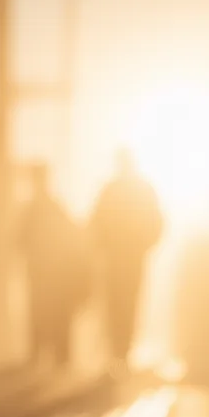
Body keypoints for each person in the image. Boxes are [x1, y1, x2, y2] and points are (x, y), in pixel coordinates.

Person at [89, 146, 164, 370]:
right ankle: (122, 352)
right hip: (131, 260)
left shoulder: (110, 190)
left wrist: (101, 247)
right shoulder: (143, 189)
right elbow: (157, 223)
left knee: (117, 304)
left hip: (117, 259)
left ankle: (118, 353)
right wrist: (143, 246)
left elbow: (95, 223)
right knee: (127, 304)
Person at [15, 163, 88, 366]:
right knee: (51, 312)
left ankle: (45, 354)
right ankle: (55, 355)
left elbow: (18, 240)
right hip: (48, 271)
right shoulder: (52, 207)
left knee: (45, 311)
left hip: (47, 271)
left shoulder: (37, 208)